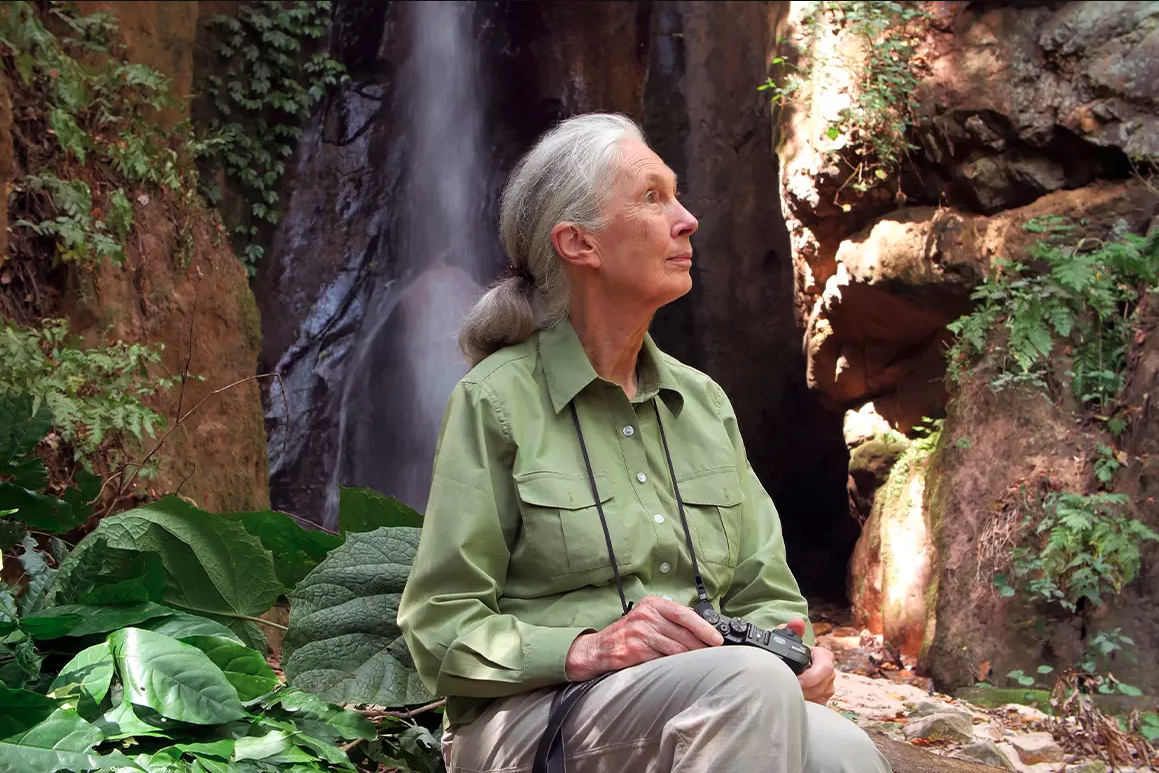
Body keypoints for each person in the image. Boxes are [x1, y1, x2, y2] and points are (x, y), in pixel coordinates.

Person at [397, 113, 891, 773]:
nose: (686, 219)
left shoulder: (703, 403)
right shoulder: (495, 401)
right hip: (529, 720)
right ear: (578, 244)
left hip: (714, 692)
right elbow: (439, 626)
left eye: (677, 195)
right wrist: (586, 649)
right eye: (652, 197)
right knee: (744, 683)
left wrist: (796, 654)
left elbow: (763, 593)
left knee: (846, 754)